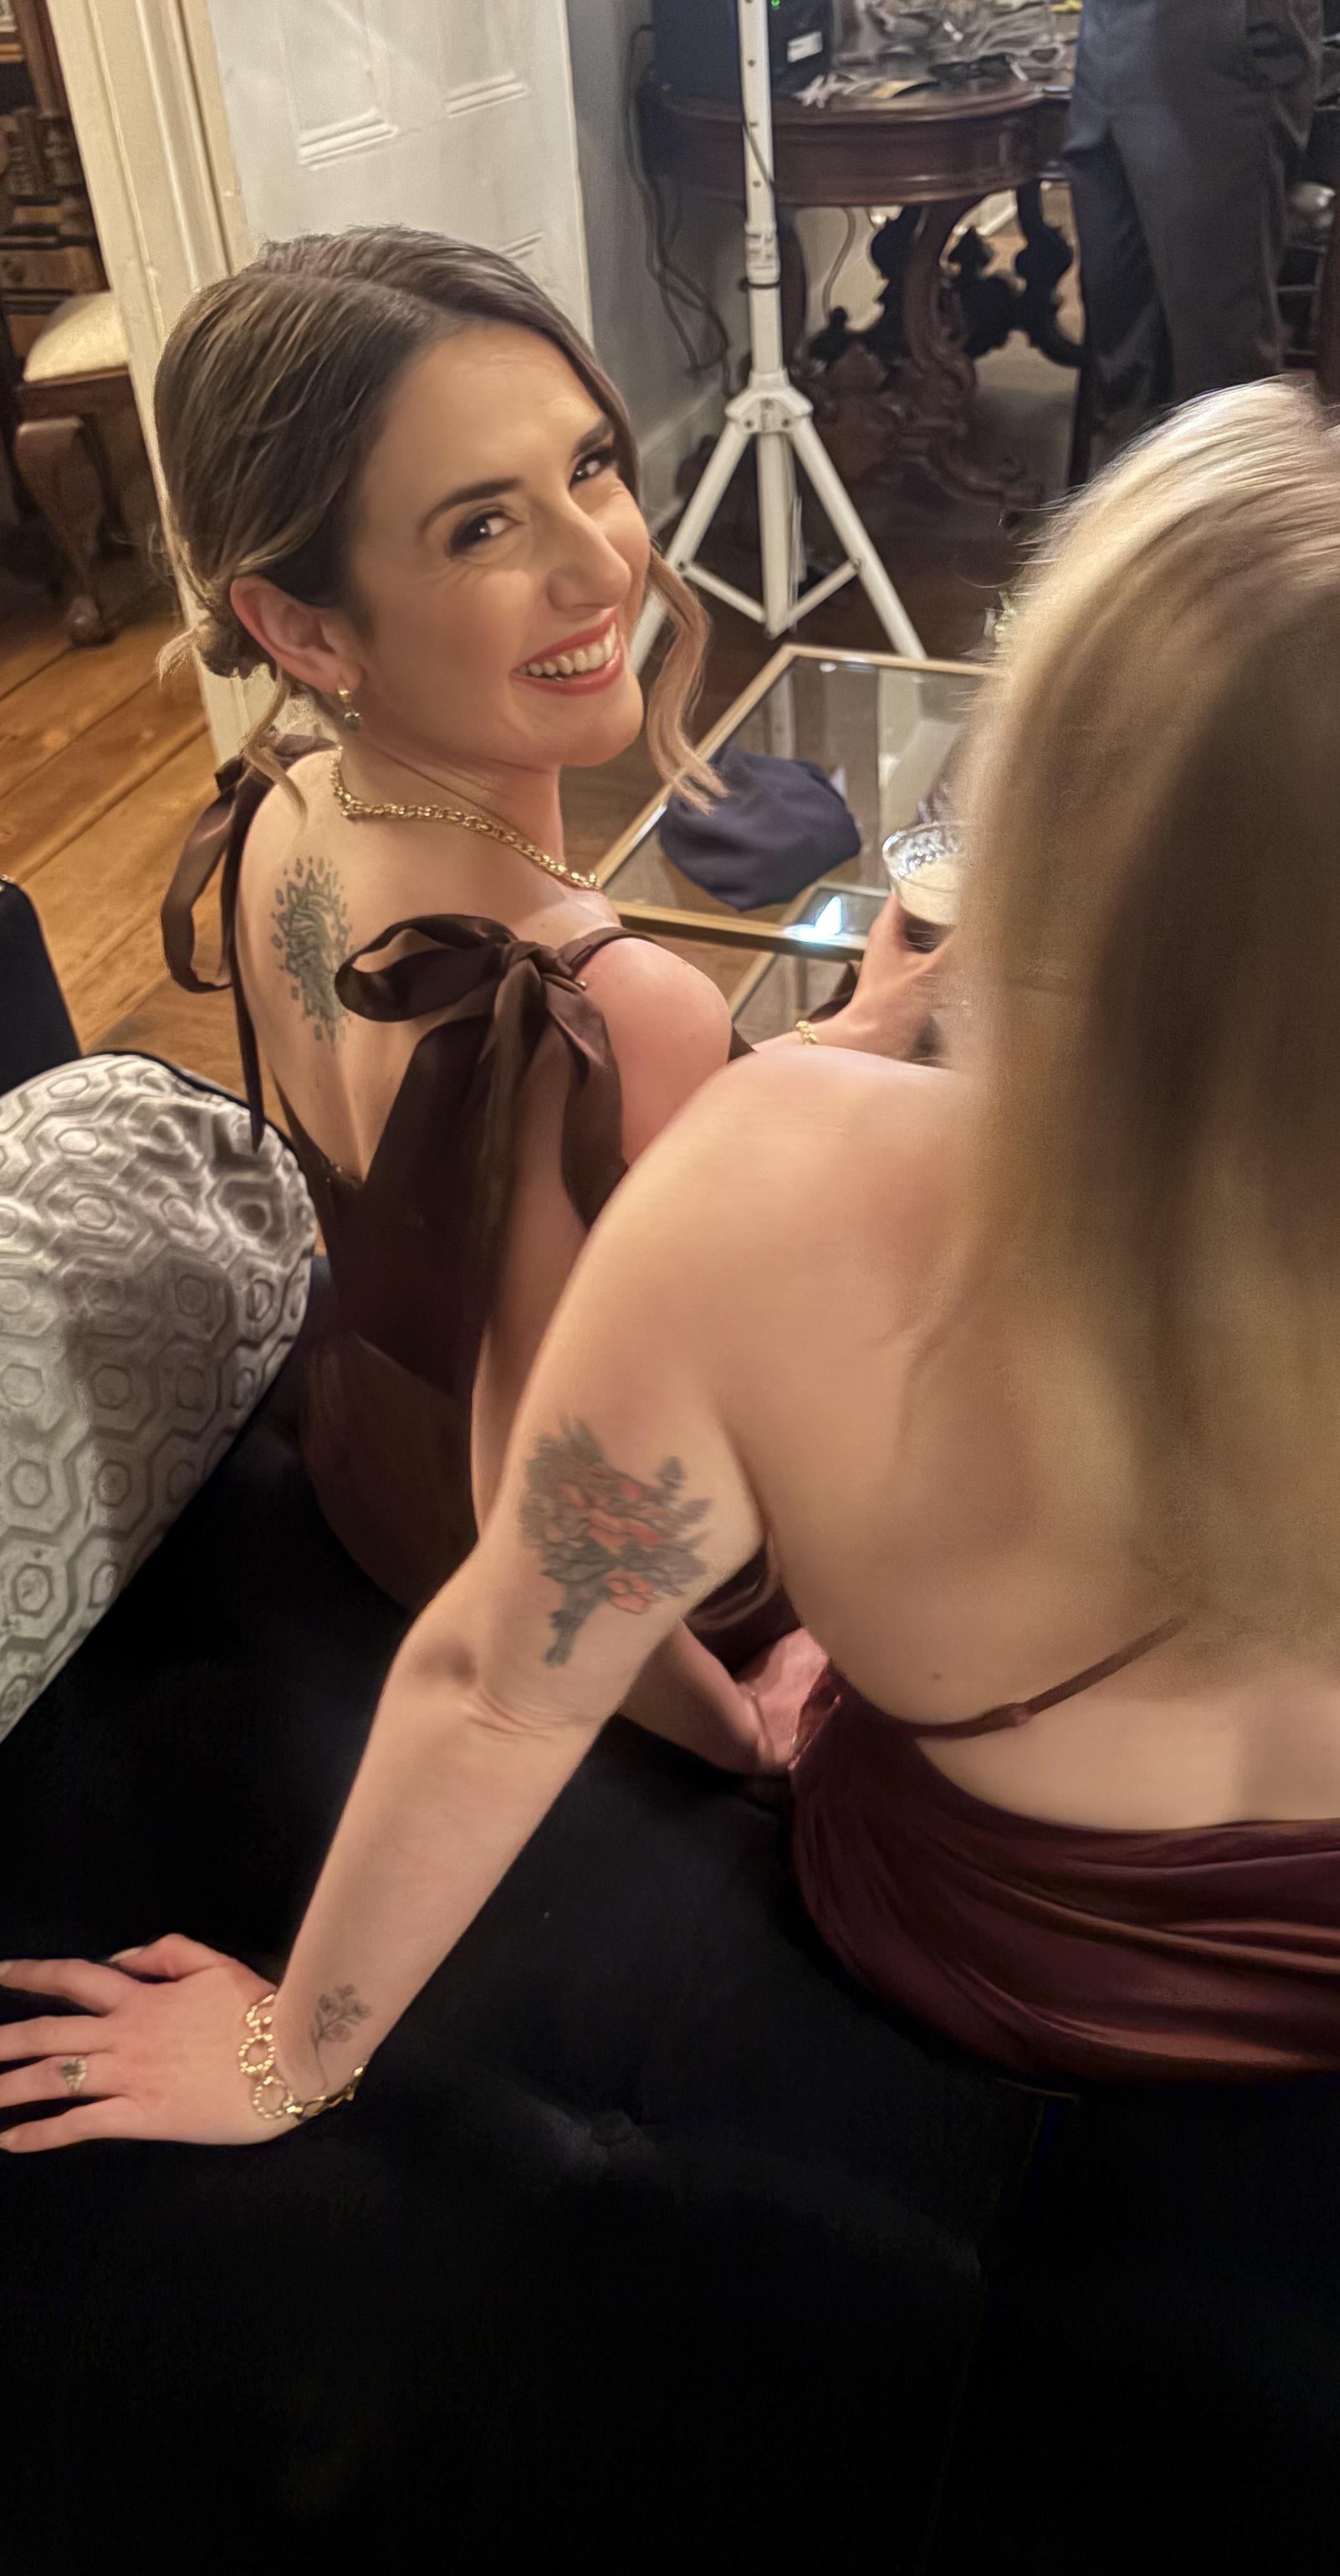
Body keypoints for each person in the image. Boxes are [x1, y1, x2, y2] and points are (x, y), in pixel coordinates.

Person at [0, 377, 1340, 2148]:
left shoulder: (765, 1190)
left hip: (1024, 1960)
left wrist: (288, 2057)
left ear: (1045, 808)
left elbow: (503, 1681)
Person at [153, 230, 930, 1760]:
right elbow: (551, 1523)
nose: (603, 564)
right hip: (636, 1625)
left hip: (375, 1481)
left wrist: (851, 1036)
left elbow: (492, 1200)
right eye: (481, 528)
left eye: (589, 467)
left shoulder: (283, 811)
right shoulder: (606, 1000)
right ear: (302, 625)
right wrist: (752, 1741)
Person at [1066, 0, 1323, 456]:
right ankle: (1143, 492)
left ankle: (1231, 495)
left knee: (1218, 341)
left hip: (1215, 34)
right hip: (1107, 33)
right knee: (1119, 325)